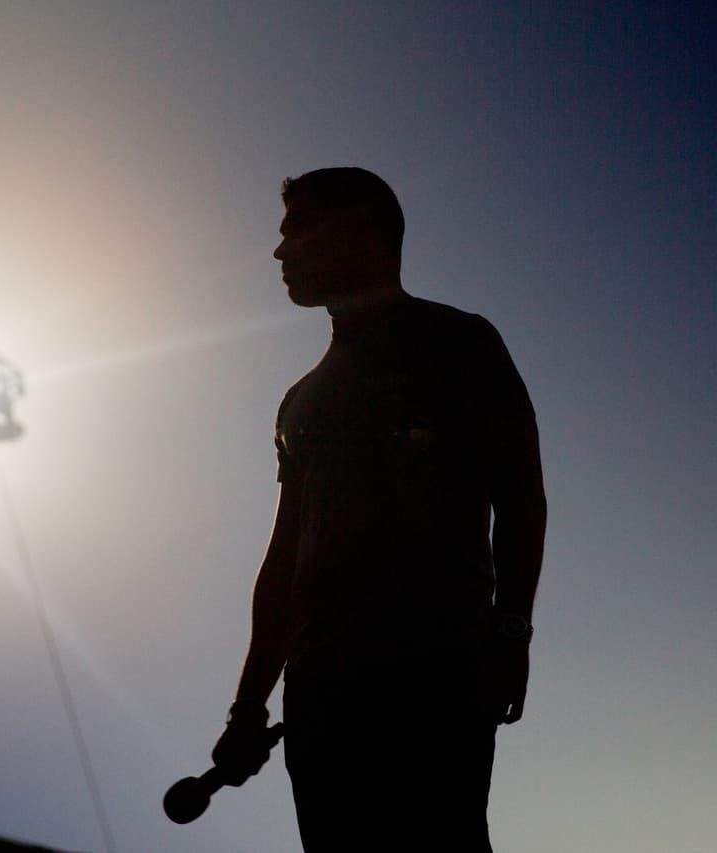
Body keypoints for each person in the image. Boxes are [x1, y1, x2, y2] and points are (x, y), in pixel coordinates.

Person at [211, 167, 546, 852]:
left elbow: (518, 495)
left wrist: (510, 632)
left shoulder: (459, 342)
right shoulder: (297, 403)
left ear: (365, 232)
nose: (279, 252)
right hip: (319, 700)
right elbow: (284, 560)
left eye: (297, 231)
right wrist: (250, 705)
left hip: (436, 677)